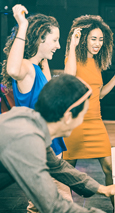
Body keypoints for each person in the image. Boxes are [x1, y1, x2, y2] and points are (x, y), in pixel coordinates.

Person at [0, 74, 115, 213]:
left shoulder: (31, 120)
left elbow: (57, 166)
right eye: (83, 115)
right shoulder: (27, 139)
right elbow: (53, 205)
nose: (82, 121)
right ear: (68, 117)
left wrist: (101, 189)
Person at [0, 4, 72, 210]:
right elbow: (12, 68)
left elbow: (50, 91)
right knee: (62, 203)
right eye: (55, 40)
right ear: (41, 38)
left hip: (50, 151)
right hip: (41, 153)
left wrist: (43, 57)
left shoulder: (37, 68)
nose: (58, 45)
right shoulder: (26, 67)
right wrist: (23, 25)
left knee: (41, 205)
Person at [63, 15, 115, 206]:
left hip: (96, 123)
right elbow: (68, 78)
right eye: (93, 39)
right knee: (66, 170)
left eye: (100, 39)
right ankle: (64, 206)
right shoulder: (72, 58)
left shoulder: (97, 62)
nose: (97, 43)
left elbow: (98, 95)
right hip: (75, 124)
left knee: (109, 167)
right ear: (84, 39)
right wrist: (72, 47)